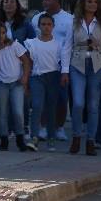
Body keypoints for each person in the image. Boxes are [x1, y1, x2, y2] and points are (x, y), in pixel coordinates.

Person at [69, 0, 101, 155]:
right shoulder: (74, 22)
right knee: (78, 103)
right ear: (83, 3)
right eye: (89, 1)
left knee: (94, 105)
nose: (92, 4)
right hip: (77, 65)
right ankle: (76, 136)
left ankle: (90, 140)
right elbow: (67, 46)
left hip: (97, 66)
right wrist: (64, 71)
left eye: (95, 2)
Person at [31, 0, 73, 142]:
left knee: (61, 98)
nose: (44, 2)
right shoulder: (37, 18)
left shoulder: (69, 19)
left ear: (56, 0)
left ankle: (59, 127)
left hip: (61, 64)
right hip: (41, 64)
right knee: (42, 99)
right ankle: (42, 127)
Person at [25, 13, 66, 151]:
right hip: (37, 77)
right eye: (43, 24)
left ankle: (51, 138)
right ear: (38, 26)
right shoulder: (31, 43)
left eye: (49, 24)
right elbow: (28, 62)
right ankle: (34, 137)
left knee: (51, 108)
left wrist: (64, 75)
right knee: (37, 106)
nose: (46, 27)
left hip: (54, 77)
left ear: (53, 26)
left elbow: (63, 62)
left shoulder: (59, 44)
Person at [0, 24, 33, 152]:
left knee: (18, 112)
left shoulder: (14, 45)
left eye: (3, 33)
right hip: (0, 83)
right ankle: (4, 139)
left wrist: (25, 77)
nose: (0, 35)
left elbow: (26, 60)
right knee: (2, 112)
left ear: (6, 34)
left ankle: (20, 138)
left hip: (16, 83)